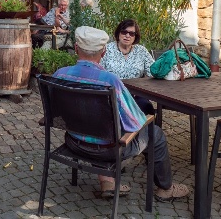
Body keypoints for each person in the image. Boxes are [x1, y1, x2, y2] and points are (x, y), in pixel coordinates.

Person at [52, 26, 190, 201]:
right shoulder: (110, 81)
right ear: (103, 52)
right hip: (106, 151)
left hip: (73, 142)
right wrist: (147, 118)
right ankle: (166, 189)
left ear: (76, 48)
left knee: (96, 124)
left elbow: (55, 113)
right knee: (156, 134)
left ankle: (108, 182)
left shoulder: (60, 74)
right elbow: (135, 123)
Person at [100, 19, 156, 115]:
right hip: (113, 95)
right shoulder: (107, 49)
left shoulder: (141, 51)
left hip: (137, 95)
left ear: (135, 37)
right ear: (118, 33)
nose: (127, 36)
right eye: (124, 32)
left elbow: (153, 71)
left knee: (145, 107)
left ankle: (143, 129)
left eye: (131, 33)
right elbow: (99, 73)